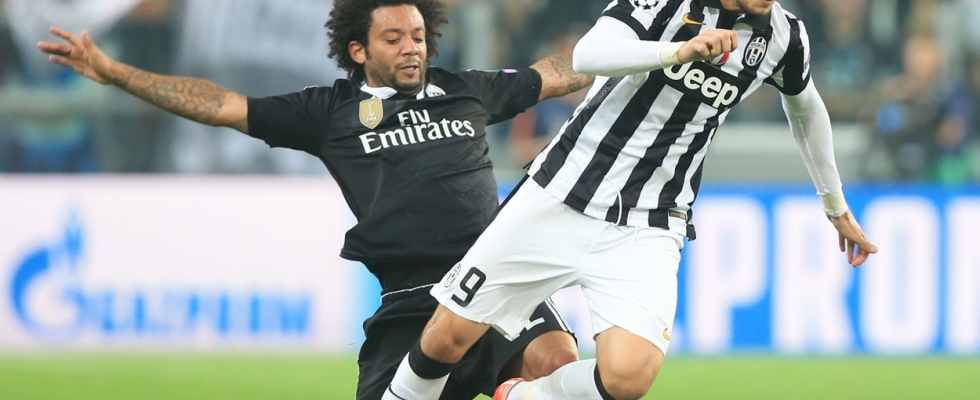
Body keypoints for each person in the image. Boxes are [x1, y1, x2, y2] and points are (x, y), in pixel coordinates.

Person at [37, 0, 594, 398]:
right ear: (358, 49)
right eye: (393, 38)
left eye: (418, 36)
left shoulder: (466, 89)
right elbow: (223, 105)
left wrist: (635, 44)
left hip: (491, 280)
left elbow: (557, 73)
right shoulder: (328, 112)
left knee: (559, 363)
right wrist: (118, 74)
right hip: (411, 299)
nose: (411, 48)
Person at [382, 1, 880, 400]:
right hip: (561, 193)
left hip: (650, 221)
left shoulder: (785, 36)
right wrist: (677, 51)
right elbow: (589, 55)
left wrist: (834, 204)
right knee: (446, 338)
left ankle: (520, 395)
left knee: (628, 376)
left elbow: (806, 106)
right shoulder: (664, 5)